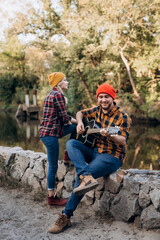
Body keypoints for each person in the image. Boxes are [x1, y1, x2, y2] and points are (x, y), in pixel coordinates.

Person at [48, 83, 132, 233]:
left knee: (80, 179)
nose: (103, 100)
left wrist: (111, 135)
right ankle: (86, 175)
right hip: (95, 151)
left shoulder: (123, 116)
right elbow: (80, 112)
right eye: (100, 97)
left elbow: (123, 140)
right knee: (72, 143)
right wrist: (80, 122)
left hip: (111, 156)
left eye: (106, 97)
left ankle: (65, 216)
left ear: (112, 98)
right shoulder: (97, 110)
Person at [39, 72, 77, 206]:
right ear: (59, 83)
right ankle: (52, 198)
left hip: (46, 133)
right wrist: (79, 121)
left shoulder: (50, 95)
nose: (67, 82)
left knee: (73, 129)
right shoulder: (58, 95)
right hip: (51, 135)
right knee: (53, 166)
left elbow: (59, 118)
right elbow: (65, 118)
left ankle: (67, 154)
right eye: (65, 80)